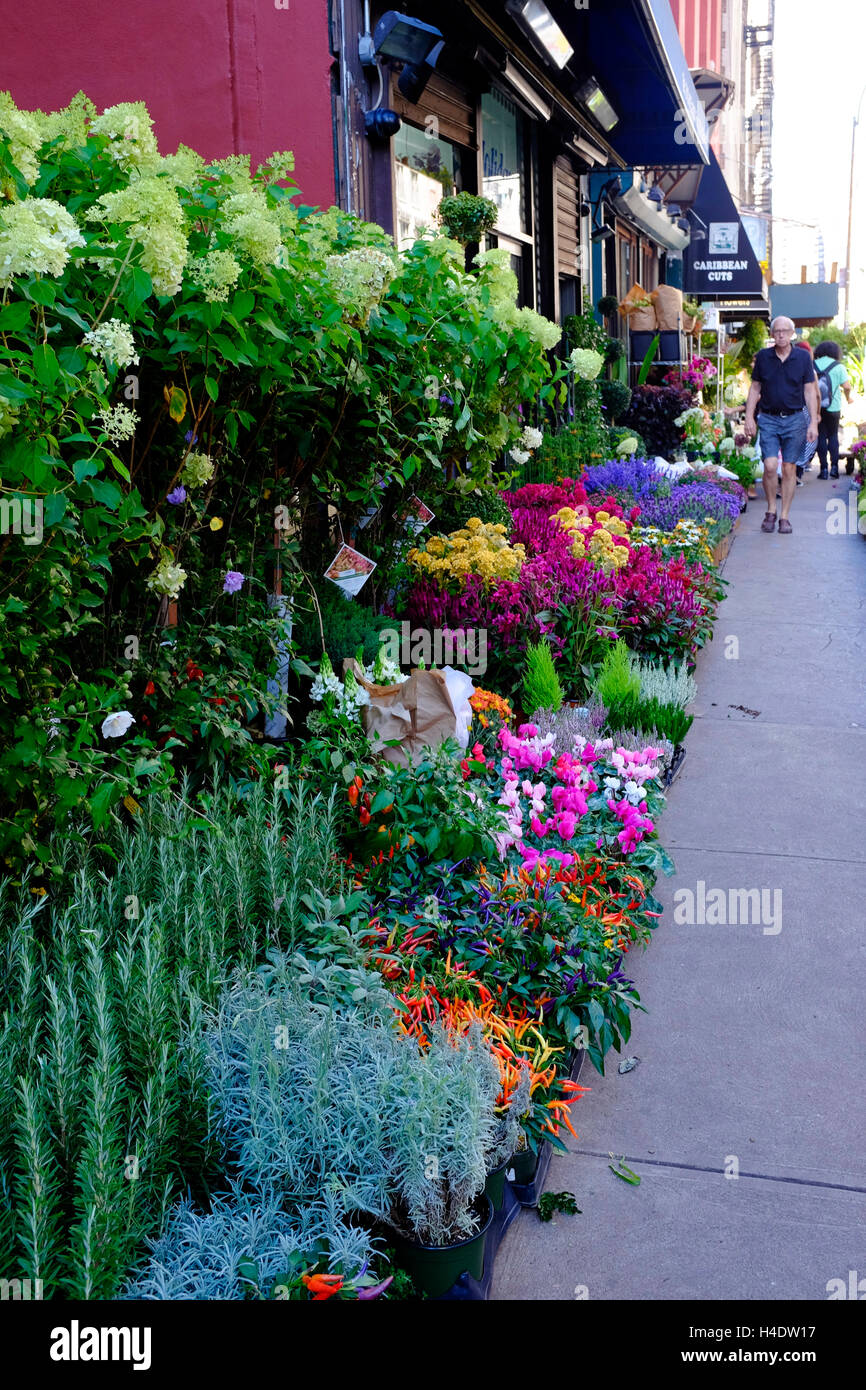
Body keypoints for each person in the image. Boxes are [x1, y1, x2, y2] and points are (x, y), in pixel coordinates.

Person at [744, 316, 818, 534]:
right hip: (768, 418)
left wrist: (813, 421)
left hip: (795, 419)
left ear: (793, 333)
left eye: (785, 331)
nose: (781, 334)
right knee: (769, 465)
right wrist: (749, 417)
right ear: (772, 334)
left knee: (788, 468)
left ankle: (784, 516)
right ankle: (770, 509)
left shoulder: (803, 358)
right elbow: (755, 388)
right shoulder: (764, 357)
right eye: (777, 331)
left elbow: (809, 391)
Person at [812, 340, 854, 478]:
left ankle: (823, 470)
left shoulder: (813, 364)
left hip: (816, 406)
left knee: (821, 436)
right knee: (833, 435)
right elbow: (847, 386)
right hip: (834, 406)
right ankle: (834, 469)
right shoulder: (839, 366)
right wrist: (848, 398)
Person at [793, 339, 818, 484]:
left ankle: (791, 474)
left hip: (792, 409)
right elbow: (816, 395)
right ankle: (797, 474)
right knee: (803, 442)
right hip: (805, 410)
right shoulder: (810, 371)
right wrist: (816, 415)